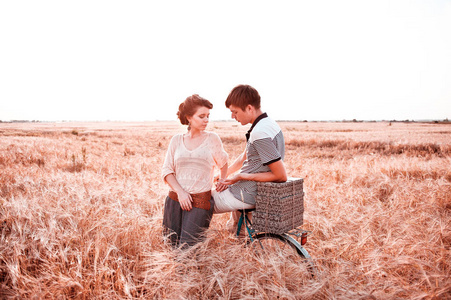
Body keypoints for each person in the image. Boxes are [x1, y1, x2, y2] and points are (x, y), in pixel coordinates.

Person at [214, 84, 287, 232]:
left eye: (235, 112)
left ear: (249, 108)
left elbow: (280, 175)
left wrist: (240, 176)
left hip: (247, 194)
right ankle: (240, 243)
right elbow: (244, 157)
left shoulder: (259, 132)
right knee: (237, 230)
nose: (232, 116)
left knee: (200, 201)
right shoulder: (268, 124)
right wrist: (225, 174)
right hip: (251, 190)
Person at [162, 94, 228, 248]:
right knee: (170, 247)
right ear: (189, 118)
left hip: (199, 202)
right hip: (175, 200)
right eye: (202, 116)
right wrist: (180, 192)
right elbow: (167, 171)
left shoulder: (212, 139)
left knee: (189, 250)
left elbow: (223, 162)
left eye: (208, 116)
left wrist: (223, 179)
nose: (206, 120)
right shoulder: (176, 140)